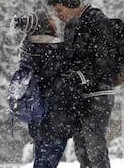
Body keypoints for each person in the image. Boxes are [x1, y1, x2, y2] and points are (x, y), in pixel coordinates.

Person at [48, 0, 124, 168]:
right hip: (79, 94)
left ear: (70, 4)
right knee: (82, 149)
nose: (58, 15)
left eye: (59, 10)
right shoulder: (70, 27)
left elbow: (103, 60)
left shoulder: (96, 20)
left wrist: (80, 76)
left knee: (95, 145)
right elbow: (72, 58)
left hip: (99, 92)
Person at [11, 11, 81, 168]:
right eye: (50, 20)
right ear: (42, 26)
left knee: (41, 160)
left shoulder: (27, 49)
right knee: (48, 161)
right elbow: (67, 79)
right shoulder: (55, 50)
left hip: (37, 115)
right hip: (56, 116)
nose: (54, 21)